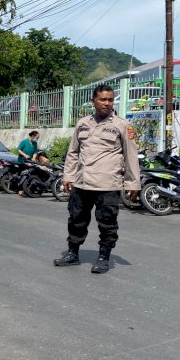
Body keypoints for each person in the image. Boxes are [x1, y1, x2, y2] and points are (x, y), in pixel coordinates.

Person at [54, 84, 140, 274]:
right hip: (82, 183)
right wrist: (68, 176)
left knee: (107, 223)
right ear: (94, 101)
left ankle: (103, 258)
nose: (107, 103)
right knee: (76, 220)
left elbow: (131, 156)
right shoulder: (82, 123)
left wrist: (133, 183)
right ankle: (72, 254)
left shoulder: (122, 125)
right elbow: (73, 152)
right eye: (102, 99)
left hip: (108, 185)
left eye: (110, 99)